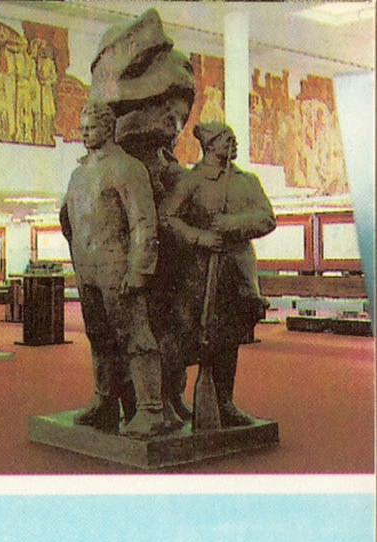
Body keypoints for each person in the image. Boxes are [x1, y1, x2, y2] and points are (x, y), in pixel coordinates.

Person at [59, 101, 170, 438]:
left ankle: (151, 409)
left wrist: (139, 269)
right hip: (88, 267)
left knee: (136, 336)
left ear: (108, 128)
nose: (84, 133)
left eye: (90, 127)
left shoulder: (126, 167)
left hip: (118, 265)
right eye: (82, 127)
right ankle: (105, 400)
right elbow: (69, 222)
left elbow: (142, 221)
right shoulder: (79, 173)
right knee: (99, 337)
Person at [159, 120, 275, 428]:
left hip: (235, 272)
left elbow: (266, 219)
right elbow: (167, 217)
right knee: (183, 335)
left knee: (228, 339)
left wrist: (231, 224)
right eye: (227, 139)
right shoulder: (192, 181)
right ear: (209, 146)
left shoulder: (247, 181)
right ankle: (166, 398)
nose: (233, 143)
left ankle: (224, 402)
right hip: (197, 272)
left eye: (233, 139)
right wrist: (199, 236)